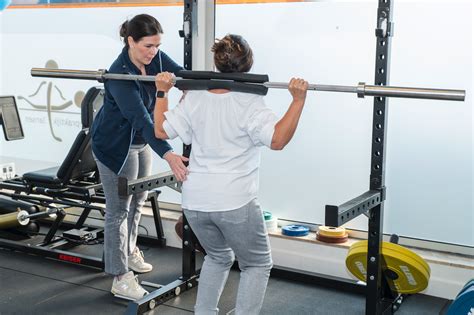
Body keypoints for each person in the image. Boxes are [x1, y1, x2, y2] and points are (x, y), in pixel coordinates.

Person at [153, 34, 309, 314]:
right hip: (234, 202)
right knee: (257, 264)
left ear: (216, 62)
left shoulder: (195, 97)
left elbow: (162, 131)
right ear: (248, 65)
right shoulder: (249, 102)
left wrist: (162, 91)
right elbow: (277, 141)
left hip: (195, 202)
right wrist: (298, 100)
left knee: (218, 256)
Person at [90, 14, 189, 300]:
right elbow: (144, 122)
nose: (153, 52)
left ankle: (129, 249)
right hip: (115, 146)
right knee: (118, 210)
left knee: (140, 198)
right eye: (147, 46)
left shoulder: (155, 59)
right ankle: (119, 276)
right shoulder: (119, 74)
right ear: (130, 41)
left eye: (157, 45)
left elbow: (181, 74)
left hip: (140, 143)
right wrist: (169, 154)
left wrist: (213, 90)